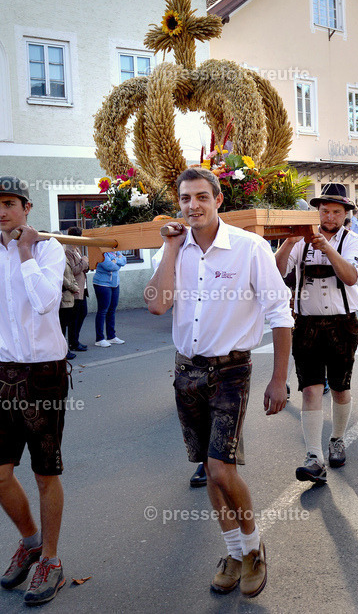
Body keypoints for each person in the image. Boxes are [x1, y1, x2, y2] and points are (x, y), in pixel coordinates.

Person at [146, 167, 293, 598]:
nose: (193, 206)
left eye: (201, 197)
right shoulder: (172, 249)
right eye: (185, 199)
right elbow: (156, 308)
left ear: (218, 200)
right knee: (210, 473)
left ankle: (253, 548)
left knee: (220, 468)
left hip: (231, 370)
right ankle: (233, 551)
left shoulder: (249, 249)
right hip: (187, 371)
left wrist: (279, 379)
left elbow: (280, 313)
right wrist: (171, 250)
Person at [0, 176, 71, 606]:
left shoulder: (49, 249)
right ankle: (31, 541)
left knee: (45, 473)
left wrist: (26, 253)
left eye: (9, 204)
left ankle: (52, 563)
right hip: (5, 374)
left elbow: (44, 302)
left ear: (26, 206)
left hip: (45, 374)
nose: (0, 212)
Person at [274, 183, 358, 484]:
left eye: (336, 213)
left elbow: (351, 276)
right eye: (325, 211)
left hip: (342, 323)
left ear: (345, 214)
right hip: (307, 324)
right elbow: (277, 273)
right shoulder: (300, 241)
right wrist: (288, 241)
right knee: (311, 389)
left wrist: (327, 249)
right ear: (318, 212)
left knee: (339, 387)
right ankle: (314, 457)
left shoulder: (353, 242)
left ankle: (337, 438)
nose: (329, 218)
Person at [91, 250, 126, 347]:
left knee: (112, 310)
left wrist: (116, 261)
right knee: (102, 311)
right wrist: (118, 262)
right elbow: (110, 266)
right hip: (102, 284)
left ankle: (111, 336)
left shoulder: (116, 251)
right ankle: (99, 339)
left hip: (115, 284)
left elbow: (124, 260)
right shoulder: (101, 253)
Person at [64, 227, 90, 352]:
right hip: (75, 290)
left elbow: (82, 267)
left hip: (83, 288)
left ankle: (75, 340)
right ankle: (72, 343)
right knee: (74, 318)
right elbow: (72, 271)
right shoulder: (68, 251)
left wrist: (86, 265)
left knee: (82, 314)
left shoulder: (77, 249)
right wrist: (84, 262)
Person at [57, 232, 79, 360]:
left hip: (68, 295)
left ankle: (64, 349)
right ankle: (62, 351)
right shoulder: (56, 257)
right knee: (61, 326)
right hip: (64, 296)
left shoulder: (63, 256)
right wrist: (73, 287)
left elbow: (70, 274)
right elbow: (61, 276)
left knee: (65, 324)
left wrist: (74, 285)